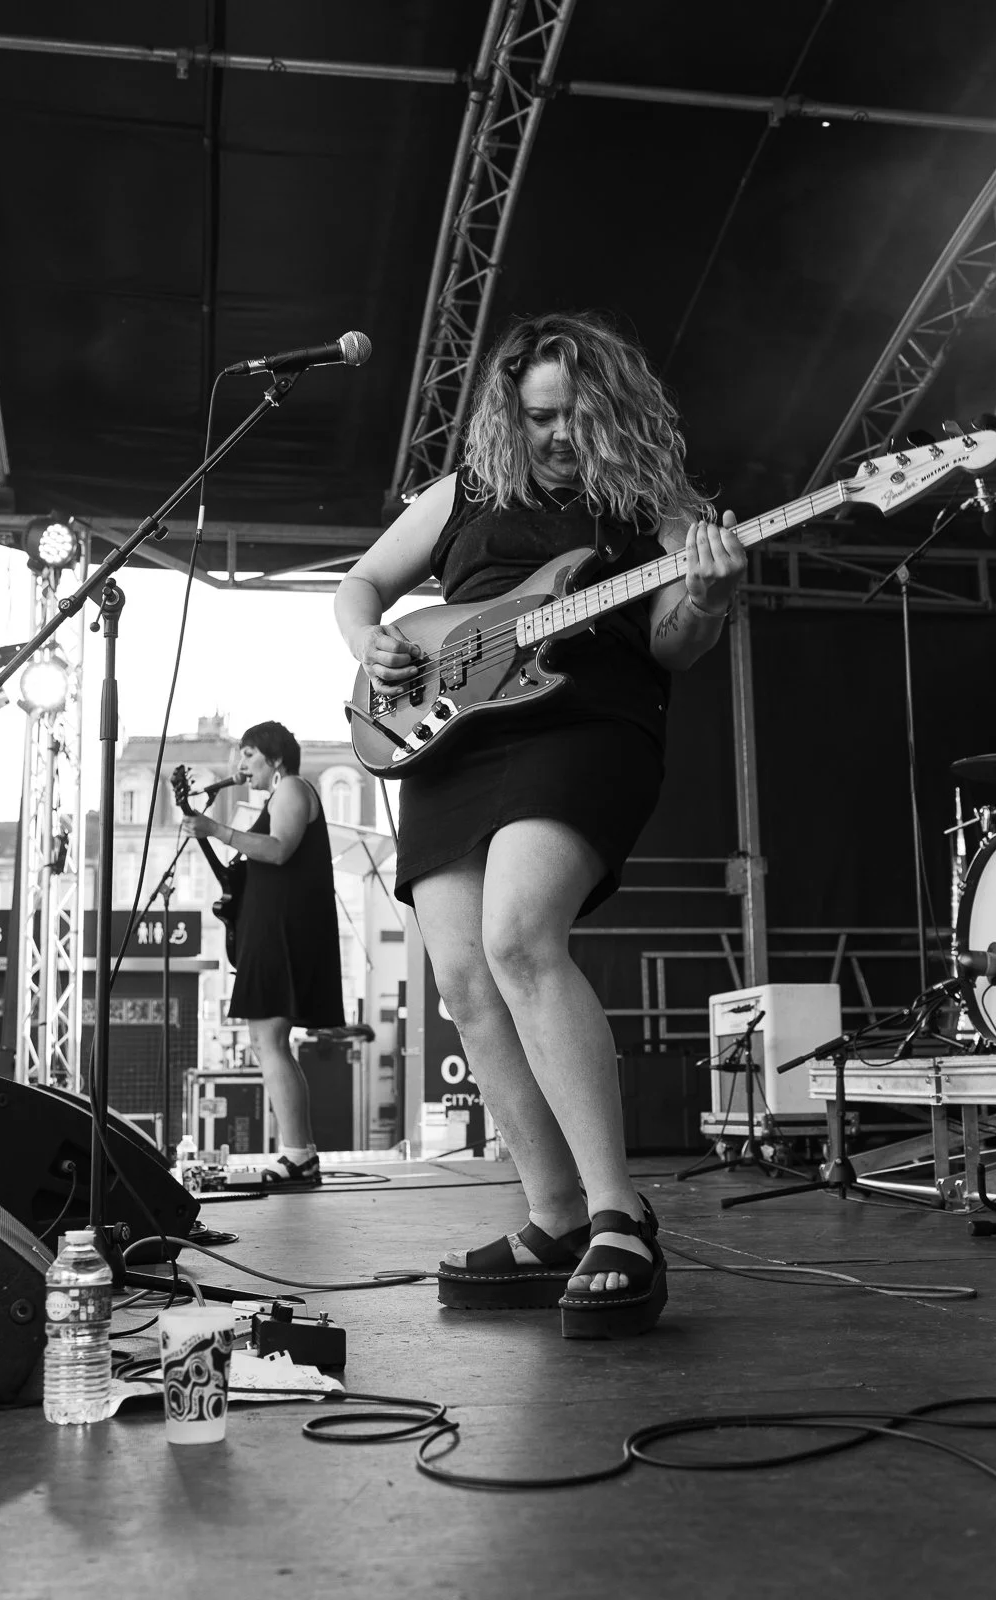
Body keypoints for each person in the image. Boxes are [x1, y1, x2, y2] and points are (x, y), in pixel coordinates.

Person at [333, 311, 743, 1338]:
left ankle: (618, 1217)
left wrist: (707, 596)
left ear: (612, 411)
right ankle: (553, 1217)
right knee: (463, 979)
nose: (556, 435)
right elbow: (362, 582)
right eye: (538, 416)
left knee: (519, 936)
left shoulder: (655, 505)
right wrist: (370, 639)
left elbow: (675, 643)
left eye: (574, 416)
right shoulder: (463, 493)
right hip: (447, 730)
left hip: (586, 720)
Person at [180, 721, 345, 1185]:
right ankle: (299, 1152)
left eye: (249, 754)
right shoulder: (277, 794)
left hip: (284, 934)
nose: (242, 764)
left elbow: (277, 850)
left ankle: (298, 1154)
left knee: (269, 1041)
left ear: (275, 758)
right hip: (273, 932)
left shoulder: (291, 787)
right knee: (268, 1042)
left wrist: (215, 829)